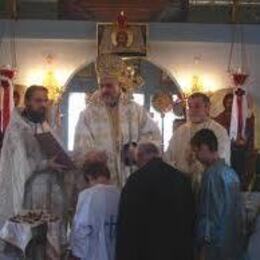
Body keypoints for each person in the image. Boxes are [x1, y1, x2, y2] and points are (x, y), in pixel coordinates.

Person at [74, 55, 161, 187]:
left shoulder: (136, 110)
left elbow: (153, 136)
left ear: (119, 85)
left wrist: (138, 150)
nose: (104, 90)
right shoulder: (88, 114)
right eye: (101, 86)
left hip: (131, 175)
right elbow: (81, 145)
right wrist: (92, 155)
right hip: (102, 177)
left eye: (109, 86)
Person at [0, 85, 66, 225]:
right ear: (27, 102)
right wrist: (45, 164)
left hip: (50, 191)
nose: (43, 105)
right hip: (28, 194)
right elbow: (18, 167)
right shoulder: (17, 129)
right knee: (31, 240)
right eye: (38, 100)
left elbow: (58, 149)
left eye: (45, 101)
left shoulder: (45, 125)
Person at [116, 143, 194, 260]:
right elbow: (191, 216)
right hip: (177, 250)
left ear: (140, 157)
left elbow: (127, 224)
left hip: (146, 251)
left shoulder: (135, 181)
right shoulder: (181, 179)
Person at [190, 129, 245, 260]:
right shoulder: (231, 173)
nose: (195, 156)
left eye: (196, 150)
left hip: (214, 248)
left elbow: (208, 215)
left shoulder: (211, 175)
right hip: (233, 244)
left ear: (204, 147)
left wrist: (203, 248)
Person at [165, 92, 230, 189]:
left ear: (207, 108)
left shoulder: (219, 131)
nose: (192, 111)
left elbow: (221, 160)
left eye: (197, 106)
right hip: (180, 185)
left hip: (208, 186)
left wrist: (197, 167)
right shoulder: (180, 131)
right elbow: (168, 158)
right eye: (190, 106)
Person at [70, 161, 120, 260]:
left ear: (89, 177)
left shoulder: (88, 195)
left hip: (94, 253)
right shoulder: (119, 194)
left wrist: (76, 253)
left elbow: (81, 228)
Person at [215, 92, 256, 189]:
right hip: (227, 152)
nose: (230, 105)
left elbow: (248, 132)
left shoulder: (243, 117)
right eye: (228, 102)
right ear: (224, 103)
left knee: (241, 177)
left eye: (232, 102)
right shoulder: (220, 118)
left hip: (241, 152)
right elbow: (220, 133)